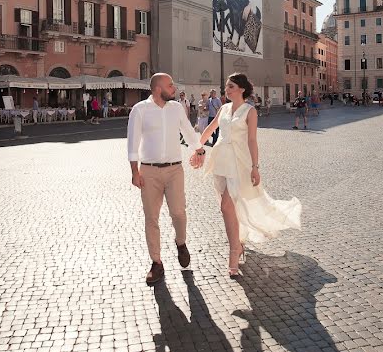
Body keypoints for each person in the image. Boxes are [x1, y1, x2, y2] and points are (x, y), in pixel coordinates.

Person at [196, 72, 301, 277]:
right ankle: (239, 242)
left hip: (240, 162)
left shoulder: (250, 111)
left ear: (242, 89)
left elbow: (252, 140)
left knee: (227, 205)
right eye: (226, 86)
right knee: (226, 208)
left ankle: (234, 251)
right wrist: (196, 147)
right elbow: (210, 129)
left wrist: (255, 166)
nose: (227, 89)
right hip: (220, 160)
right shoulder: (224, 108)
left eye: (231, 86)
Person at [127, 73, 205, 286]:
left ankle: (181, 243)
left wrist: (199, 150)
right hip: (149, 171)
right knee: (151, 217)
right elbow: (132, 142)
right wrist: (135, 171)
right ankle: (156, 263)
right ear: (157, 88)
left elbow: (188, 132)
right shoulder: (140, 110)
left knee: (179, 212)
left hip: (174, 170)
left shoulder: (177, 108)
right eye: (170, 85)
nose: (173, 88)